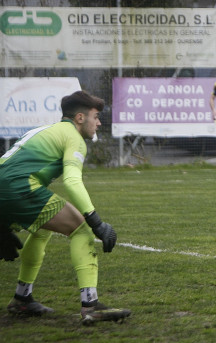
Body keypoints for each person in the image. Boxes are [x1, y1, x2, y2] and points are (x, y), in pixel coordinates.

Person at [0, 91, 130, 324]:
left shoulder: (46, 130)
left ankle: (22, 298)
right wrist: (96, 221)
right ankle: (90, 305)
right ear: (80, 118)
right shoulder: (74, 138)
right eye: (96, 116)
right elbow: (72, 181)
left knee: (43, 228)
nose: (99, 122)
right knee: (81, 229)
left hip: (7, 185)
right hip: (19, 186)